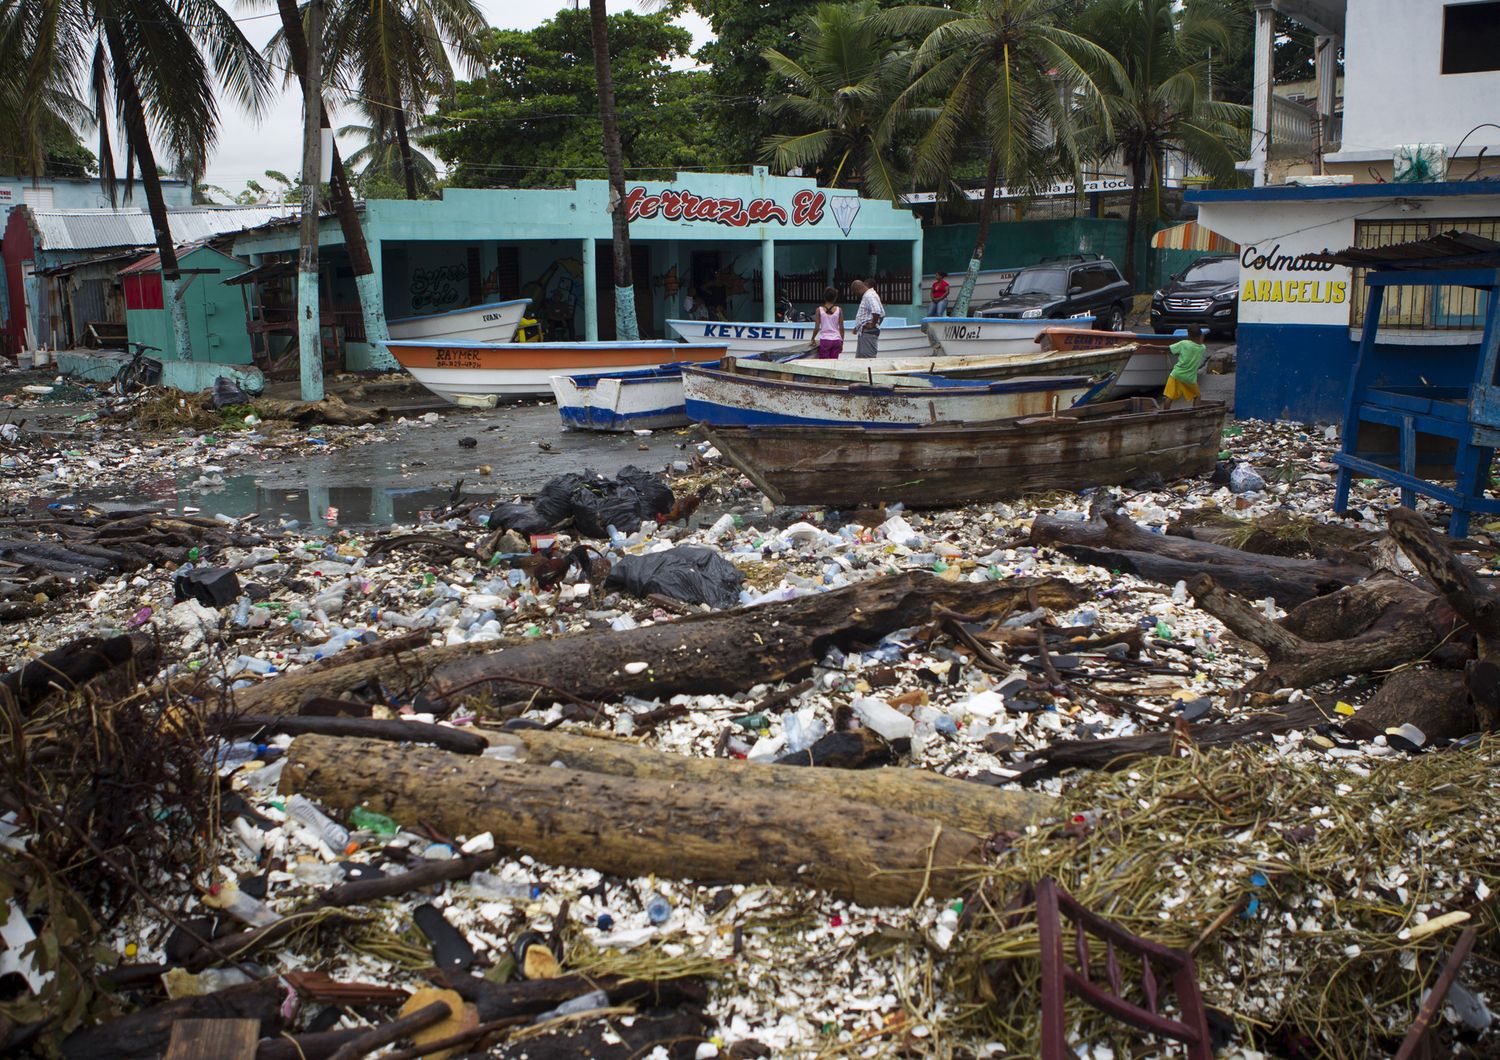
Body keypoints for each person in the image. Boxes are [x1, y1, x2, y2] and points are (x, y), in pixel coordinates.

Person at [1162, 325, 1207, 408]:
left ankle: (1164, 415)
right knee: (1197, 396)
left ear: (1189, 335)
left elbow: (1167, 348)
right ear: (1200, 336)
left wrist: (1150, 346)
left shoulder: (1183, 344)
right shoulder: (1202, 348)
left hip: (1176, 374)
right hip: (1189, 378)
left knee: (1169, 396)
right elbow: (1198, 344)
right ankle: (1195, 414)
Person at [850, 279, 884, 359]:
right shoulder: (869, 295)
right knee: (861, 359)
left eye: (855, 292)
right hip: (865, 332)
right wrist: (858, 327)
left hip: (868, 333)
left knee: (867, 360)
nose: (857, 295)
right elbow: (881, 314)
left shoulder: (869, 296)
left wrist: (872, 324)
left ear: (858, 288)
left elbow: (877, 311)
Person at [813, 287, 843, 359]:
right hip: (836, 340)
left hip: (825, 340)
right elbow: (841, 328)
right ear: (835, 298)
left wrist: (812, 338)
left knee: (824, 364)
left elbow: (817, 327)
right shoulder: (839, 310)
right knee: (834, 364)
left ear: (824, 297)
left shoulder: (819, 310)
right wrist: (842, 342)